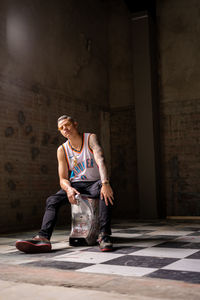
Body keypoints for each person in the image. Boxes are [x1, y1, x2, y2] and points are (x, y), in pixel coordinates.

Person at [16, 115, 114, 253]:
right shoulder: (62, 149)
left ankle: (104, 235)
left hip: (95, 183)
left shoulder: (90, 138)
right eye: (61, 128)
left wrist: (105, 182)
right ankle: (43, 237)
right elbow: (63, 178)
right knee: (52, 200)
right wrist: (68, 189)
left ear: (75, 124)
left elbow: (100, 159)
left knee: (105, 193)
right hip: (76, 185)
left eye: (67, 125)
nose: (65, 129)